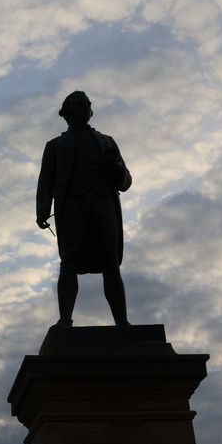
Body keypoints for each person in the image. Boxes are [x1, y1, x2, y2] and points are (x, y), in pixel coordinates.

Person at [36, 90, 132, 327]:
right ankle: (65, 319)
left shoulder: (107, 142)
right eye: (79, 104)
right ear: (68, 112)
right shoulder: (55, 146)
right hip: (72, 209)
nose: (85, 107)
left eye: (87, 104)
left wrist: (116, 164)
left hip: (104, 205)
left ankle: (122, 322)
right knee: (69, 262)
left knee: (111, 263)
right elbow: (45, 181)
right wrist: (42, 209)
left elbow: (126, 182)